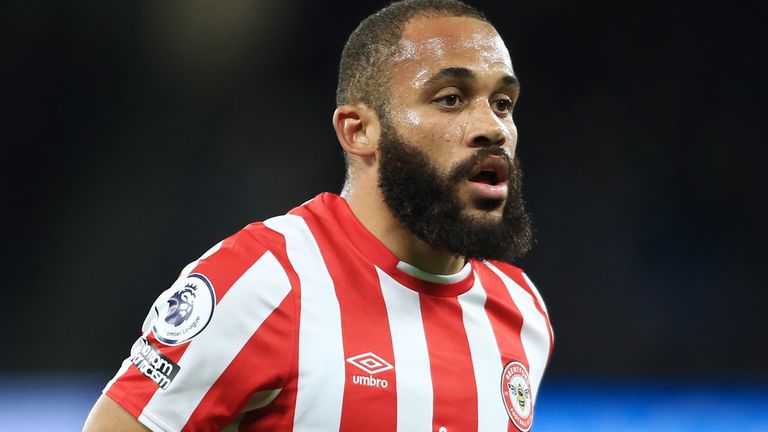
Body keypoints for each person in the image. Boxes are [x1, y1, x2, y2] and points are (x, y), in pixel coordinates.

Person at [83, 0, 554, 430]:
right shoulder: (265, 281)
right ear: (359, 131)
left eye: (502, 104)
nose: (493, 127)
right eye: (450, 98)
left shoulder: (522, 310)